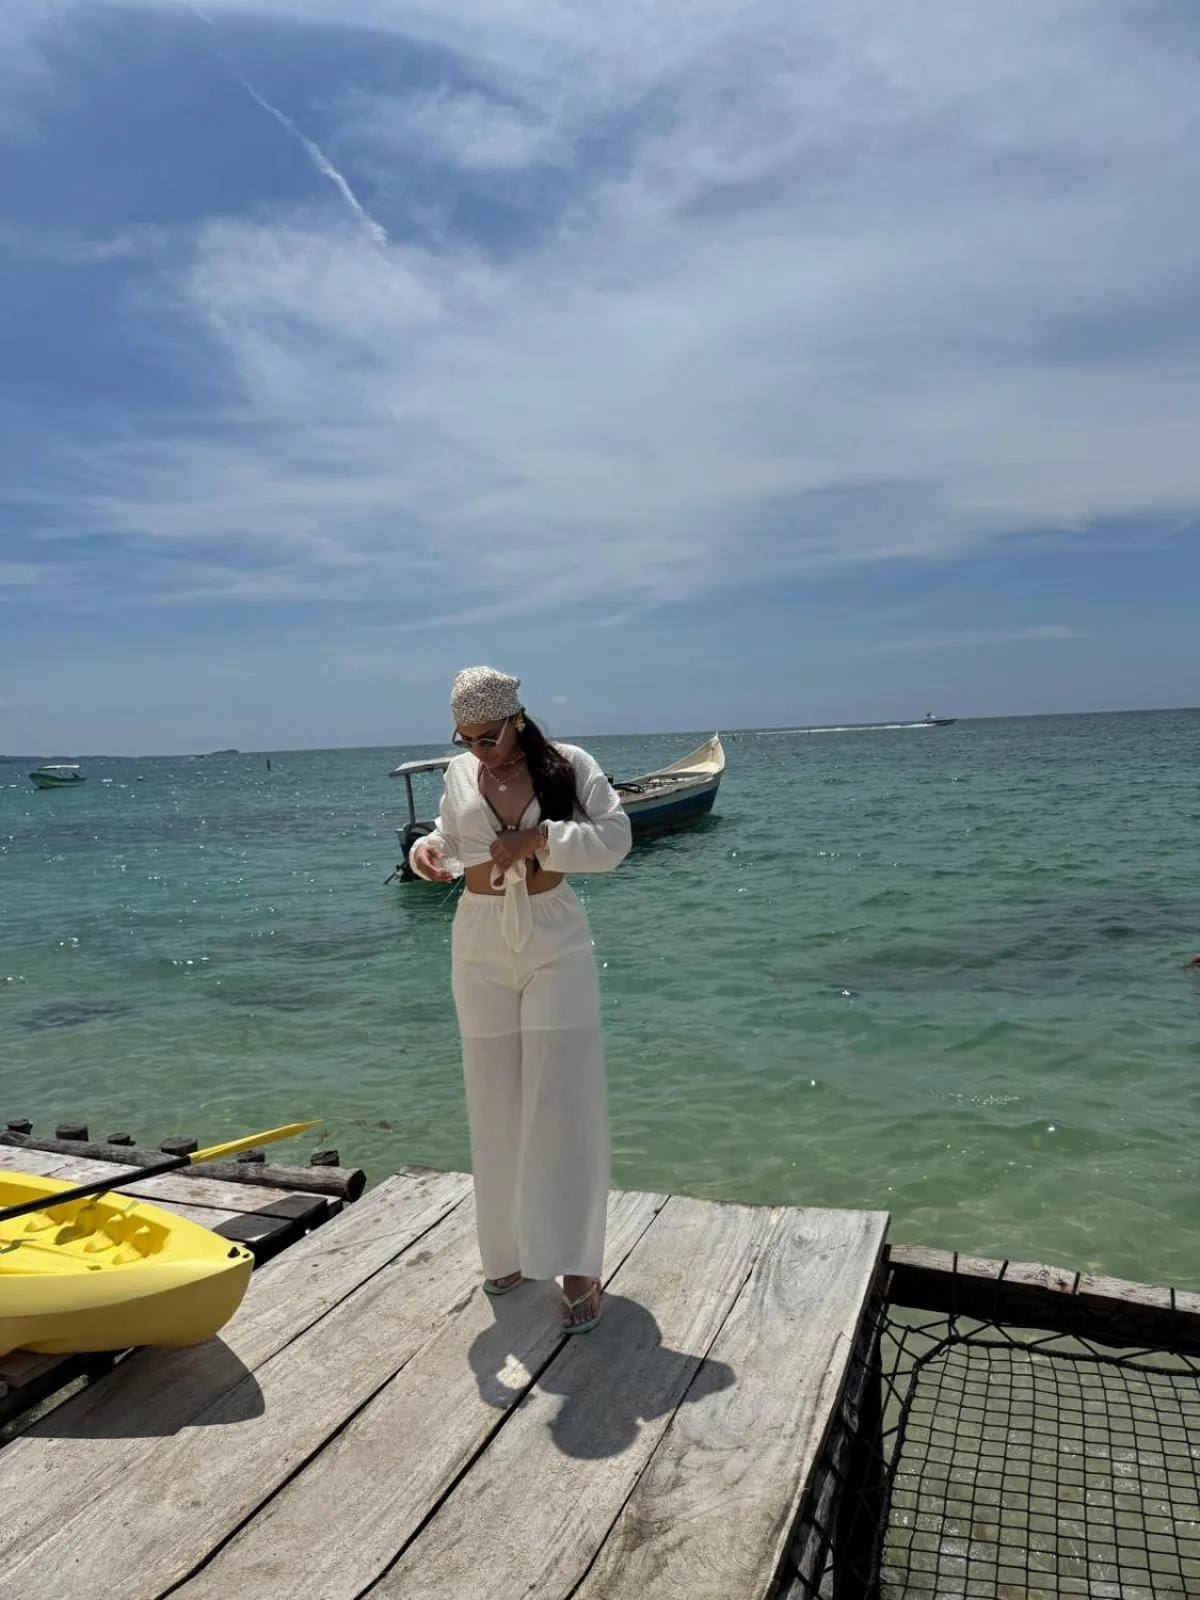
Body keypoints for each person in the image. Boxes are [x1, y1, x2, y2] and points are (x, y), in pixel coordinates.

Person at [410, 667, 632, 1333]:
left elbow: (616, 840)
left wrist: (539, 839)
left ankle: (576, 1264)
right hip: (477, 939)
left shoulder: (569, 765)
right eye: (466, 737)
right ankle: (505, 1250)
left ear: (517, 718)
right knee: (493, 1094)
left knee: (562, 1099)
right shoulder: (457, 775)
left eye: (489, 735)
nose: (479, 748)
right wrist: (431, 854)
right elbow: (453, 844)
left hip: (553, 936)